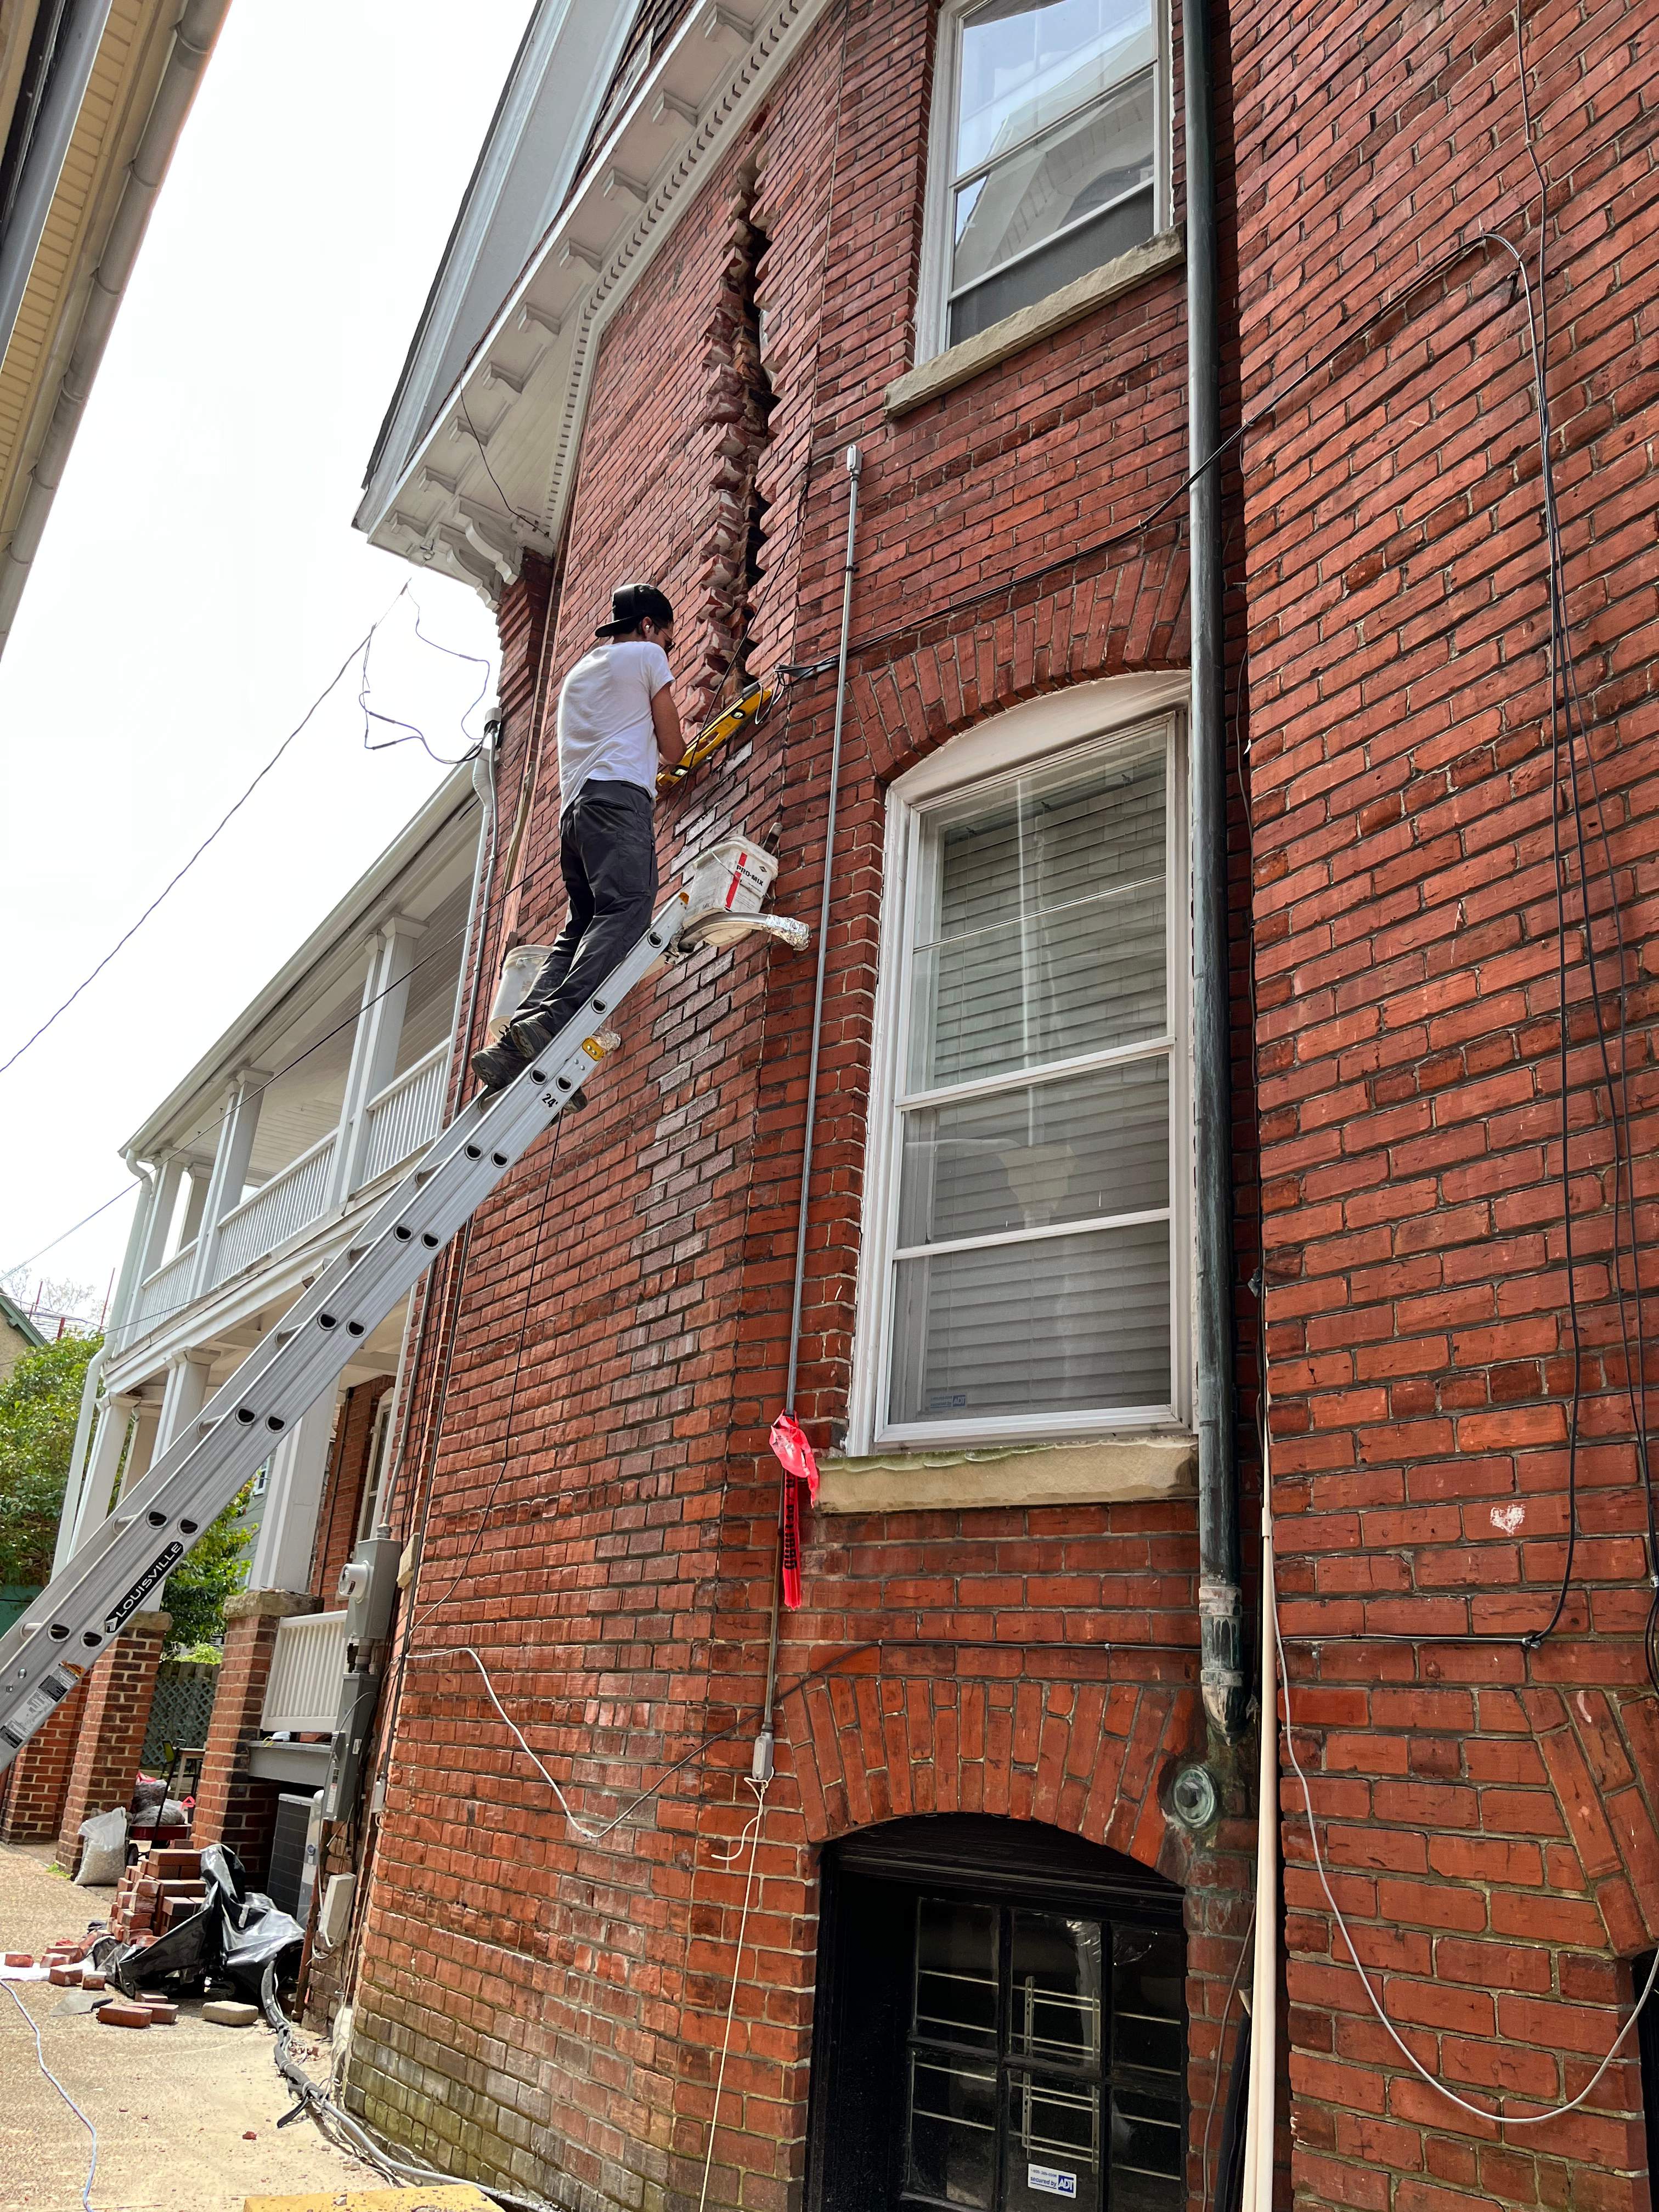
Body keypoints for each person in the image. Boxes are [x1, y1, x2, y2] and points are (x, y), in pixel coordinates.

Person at [471, 582, 685, 1095]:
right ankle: (553, 1021)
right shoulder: (646, 657)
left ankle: (511, 1047)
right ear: (649, 627)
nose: (668, 651)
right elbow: (675, 748)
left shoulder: (579, 672)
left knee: (580, 928)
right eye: (669, 640)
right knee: (628, 908)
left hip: (575, 818)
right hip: (619, 804)